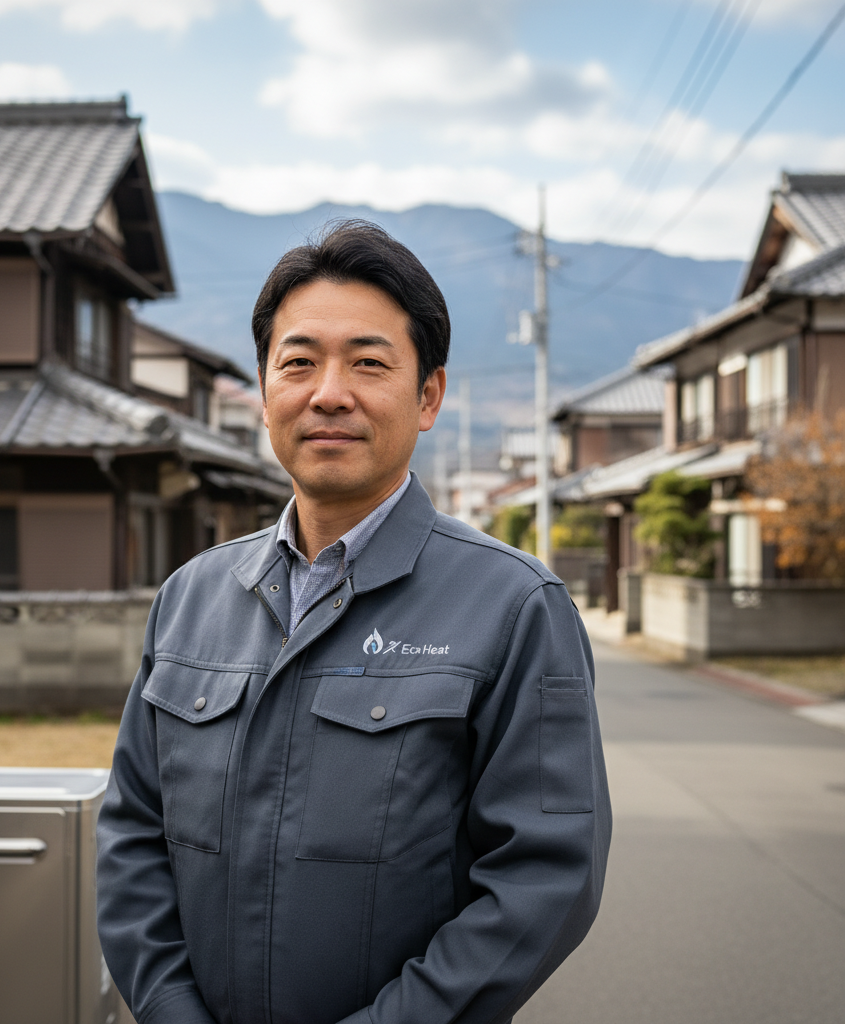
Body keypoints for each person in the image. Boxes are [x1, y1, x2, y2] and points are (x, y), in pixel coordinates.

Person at [97, 221, 611, 1024]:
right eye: (297, 362)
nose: (327, 391)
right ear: (265, 392)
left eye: (369, 363)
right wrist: (168, 1008)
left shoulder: (513, 606)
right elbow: (132, 835)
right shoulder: (190, 597)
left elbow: (543, 880)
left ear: (428, 396)